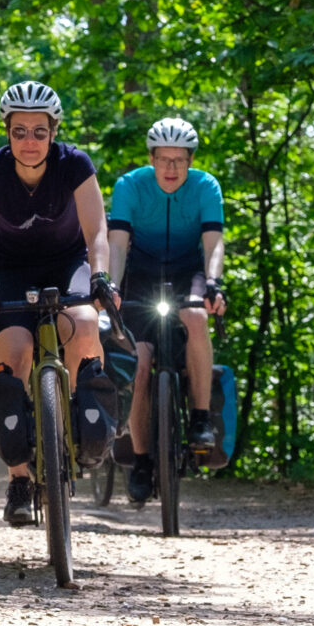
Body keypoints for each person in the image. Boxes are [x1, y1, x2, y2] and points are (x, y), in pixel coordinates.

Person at [0, 81, 112, 528]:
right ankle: (19, 479)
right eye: (20, 131)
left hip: (67, 263)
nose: (30, 142)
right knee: (14, 350)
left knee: (85, 324)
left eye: (40, 132)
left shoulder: (76, 165)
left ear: (54, 131)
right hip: (11, 268)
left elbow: (96, 231)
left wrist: (101, 275)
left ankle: (80, 419)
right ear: (7, 131)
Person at [107, 115, 229, 498]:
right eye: (163, 159)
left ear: (190, 160)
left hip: (185, 270)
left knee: (195, 315)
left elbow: (214, 242)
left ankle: (200, 418)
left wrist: (213, 282)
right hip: (140, 273)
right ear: (151, 157)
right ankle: (142, 460)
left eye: (179, 159)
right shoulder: (130, 186)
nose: (171, 168)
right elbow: (117, 243)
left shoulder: (206, 186)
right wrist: (110, 285)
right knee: (140, 364)